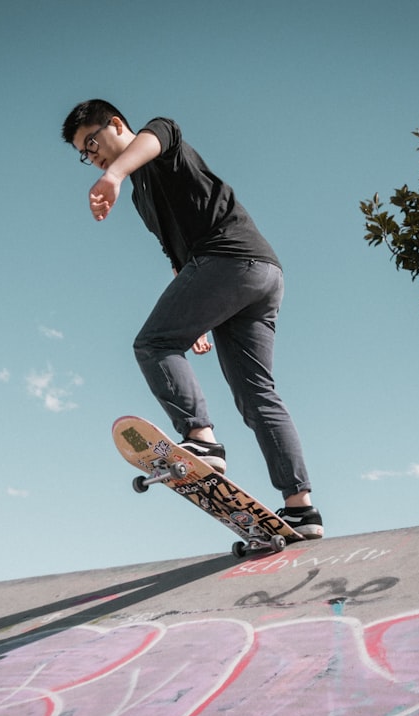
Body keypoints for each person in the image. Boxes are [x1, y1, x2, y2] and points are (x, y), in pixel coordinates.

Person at [61, 99, 323, 540]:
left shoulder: (157, 139)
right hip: (259, 273)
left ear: (116, 125)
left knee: (153, 344)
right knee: (256, 394)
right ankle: (301, 509)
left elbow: (156, 136)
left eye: (93, 142)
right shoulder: (144, 200)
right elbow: (179, 258)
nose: (93, 156)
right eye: (84, 154)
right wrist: (199, 318)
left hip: (229, 261)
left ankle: (200, 437)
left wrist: (114, 173)